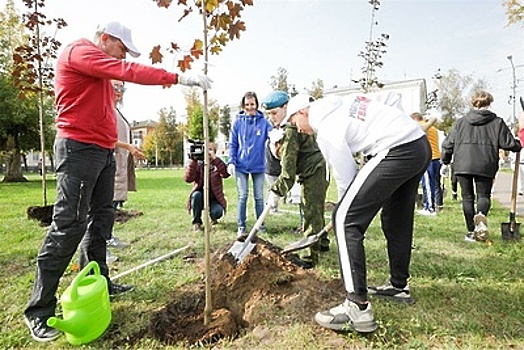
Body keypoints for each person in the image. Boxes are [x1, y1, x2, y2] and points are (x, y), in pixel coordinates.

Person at [24, 21, 212, 342]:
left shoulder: (97, 72)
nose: (122, 55)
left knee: (102, 219)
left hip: (101, 151)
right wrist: (178, 77)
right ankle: (39, 309)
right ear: (106, 39)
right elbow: (127, 70)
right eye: (121, 48)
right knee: (69, 225)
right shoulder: (79, 51)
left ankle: (99, 282)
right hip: (78, 148)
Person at [288, 92, 430, 333]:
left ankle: (357, 307)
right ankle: (398, 286)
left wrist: (344, 212)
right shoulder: (343, 101)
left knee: (344, 220)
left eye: (294, 123)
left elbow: (347, 178)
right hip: (418, 144)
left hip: (397, 147)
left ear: (303, 112)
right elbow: (391, 98)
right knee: (396, 219)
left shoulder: (327, 129)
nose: (298, 129)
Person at [441, 90, 521, 242]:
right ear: (489, 103)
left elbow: (448, 144)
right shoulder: (497, 122)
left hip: (462, 164)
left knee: (467, 197)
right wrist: (518, 144)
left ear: (473, 103)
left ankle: (471, 231)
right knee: (483, 195)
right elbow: (508, 143)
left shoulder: (461, 122)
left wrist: (445, 161)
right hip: (485, 163)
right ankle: (481, 215)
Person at [263, 92, 330, 269]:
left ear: (286, 108)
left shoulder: (290, 131)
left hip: (314, 170)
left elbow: (288, 172)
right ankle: (323, 243)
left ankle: (309, 257)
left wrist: (276, 191)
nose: (272, 118)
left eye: (275, 113)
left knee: (311, 210)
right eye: (269, 114)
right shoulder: (285, 129)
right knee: (314, 208)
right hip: (316, 168)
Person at [228, 91, 272, 236]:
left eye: (252, 104)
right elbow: (233, 144)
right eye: (247, 104)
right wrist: (231, 162)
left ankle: (261, 225)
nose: (249, 107)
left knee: (259, 197)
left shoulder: (264, 123)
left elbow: (273, 137)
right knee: (243, 196)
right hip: (241, 166)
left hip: (259, 166)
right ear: (243, 105)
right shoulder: (238, 123)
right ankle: (241, 226)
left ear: (257, 105)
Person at [184, 142, 230, 231]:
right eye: (206, 149)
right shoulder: (198, 163)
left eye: (210, 149)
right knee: (196, 195)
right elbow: (188, 179)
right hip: (200, 195)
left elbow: (226, 173)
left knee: (217, 212)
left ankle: (214, 218)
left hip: (214, 197)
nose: (207, 152)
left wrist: (215, 159)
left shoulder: (217, 163)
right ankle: (197, 223)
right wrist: (193, 161)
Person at [410, 112, 441, 215]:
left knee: (427, 184)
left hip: (429, 159)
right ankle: (430, 205)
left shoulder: (420, 126)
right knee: (433, 184)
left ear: (415, 119)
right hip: (436, 158)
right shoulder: (432, 128)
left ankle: (429, 208)